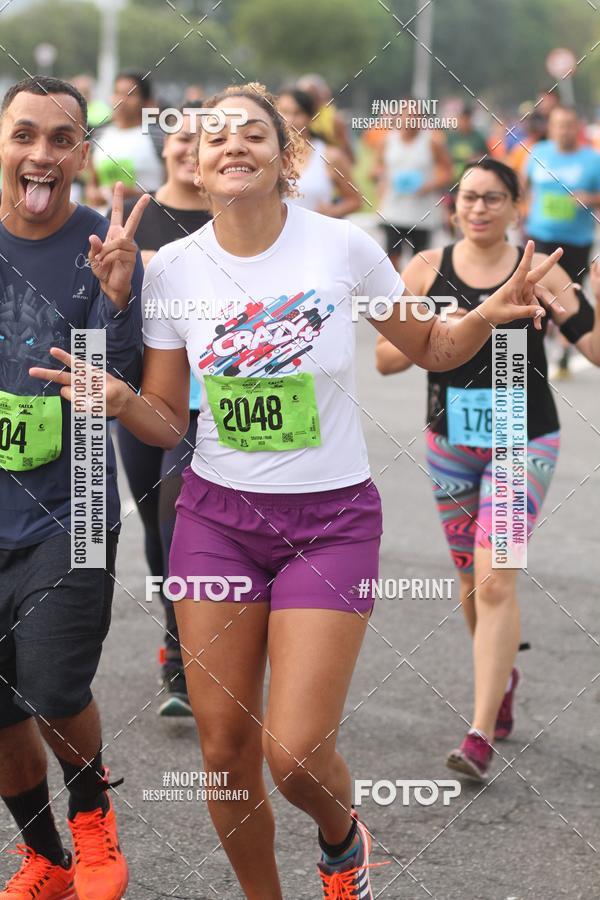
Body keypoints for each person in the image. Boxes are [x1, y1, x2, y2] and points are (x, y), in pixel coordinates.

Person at [35, 82, 561, 899]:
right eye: (214, 139)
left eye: (252, 133)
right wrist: (122, 400)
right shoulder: (171, 268)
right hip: (215, 520)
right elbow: (171, 424)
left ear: (286, 159)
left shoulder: (342, 247)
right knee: (222, 749)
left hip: (330, 524)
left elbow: (429, 342)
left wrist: (490, 313)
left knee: (294, 753)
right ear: (197, 168)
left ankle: (342, 840)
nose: (231, 146)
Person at [376, 159, 600, 781]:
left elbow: (594, 348)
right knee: (471, 579)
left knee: (496, 578)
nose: (478, 208)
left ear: (515, 205)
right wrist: (449, 324)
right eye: (468, 198)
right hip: (450, 441)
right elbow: (388, 360)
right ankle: (499, 678)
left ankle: (477, 735)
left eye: (492, 198)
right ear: (452, 206)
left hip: (521, 438)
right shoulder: (426, 270)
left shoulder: (540, 271)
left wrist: (582, 301)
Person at [0, 75, 147, 899]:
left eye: (61, 139)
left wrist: (119, 299)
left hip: (78, 498)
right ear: (2, 144)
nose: (42, 154)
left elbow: (124, 390)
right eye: (25, 135)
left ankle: (91, 814)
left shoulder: (109, 244)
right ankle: (45, 857)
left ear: (83, 153)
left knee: (54, 688)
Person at [114, 106, 212, 716]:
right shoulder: (138, 214)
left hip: (202, 397)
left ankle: (183, 656)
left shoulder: (232, 217)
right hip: (134, 389)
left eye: (200, 142)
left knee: (179, 519)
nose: (187, 150)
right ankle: (174, 632)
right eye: (179, 138)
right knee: (153, 524)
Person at [525, 105, 600, 377]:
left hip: (575, 241)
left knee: (569, 295)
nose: (563, 131)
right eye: (558, 125)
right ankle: (535, 348)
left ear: (577, 127)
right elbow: (525, 188)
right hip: (539, 236)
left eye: (569, 125)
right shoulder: (538, 153)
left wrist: (589, 199)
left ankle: (566, 350)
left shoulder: (592, 159)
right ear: (551, 127)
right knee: (534, 293)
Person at [374, 105, 453, 269]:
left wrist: (428, 186)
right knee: (392, 256)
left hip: (422, 214)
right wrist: (381, 178)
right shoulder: (387, 141)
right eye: (406, 116)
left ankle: (415, 291)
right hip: (393, 211)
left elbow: (448, 172)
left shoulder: (431, 142)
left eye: (415, 116)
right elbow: (377, 167)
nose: (410, 120)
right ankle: (395, 291)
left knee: (420, 259)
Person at [86, 70, 164, 207]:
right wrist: (95, 194)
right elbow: (92, 183)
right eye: (117, 93)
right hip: (104, 222)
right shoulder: (99, 134)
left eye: (130, 94)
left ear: (146, 101)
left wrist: (133, 195)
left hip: (148, 221)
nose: (121, 100)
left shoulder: (158, 136)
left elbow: (171, 187)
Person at [276, 88, 360, 216]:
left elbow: (355, 200)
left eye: (298, 113)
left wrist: (330, 212)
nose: (290, 120)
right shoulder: (267, 154)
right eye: (284, 112)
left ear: (311, 118)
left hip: (316, 233)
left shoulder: (330, 155)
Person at [297, 73, 354, 162]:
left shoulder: (334, 119)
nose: (308, 100)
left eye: (312, 95)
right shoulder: (295, 117)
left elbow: (347, 151)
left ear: (321, 95)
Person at [446, 103, 489, 184]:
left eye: (467, 118)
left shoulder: (479, 138)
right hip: (452, 183)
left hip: (472, 181)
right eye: (462, 118)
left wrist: (477, 159)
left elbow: (487, 158)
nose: (464, 121)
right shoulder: (450, 138)